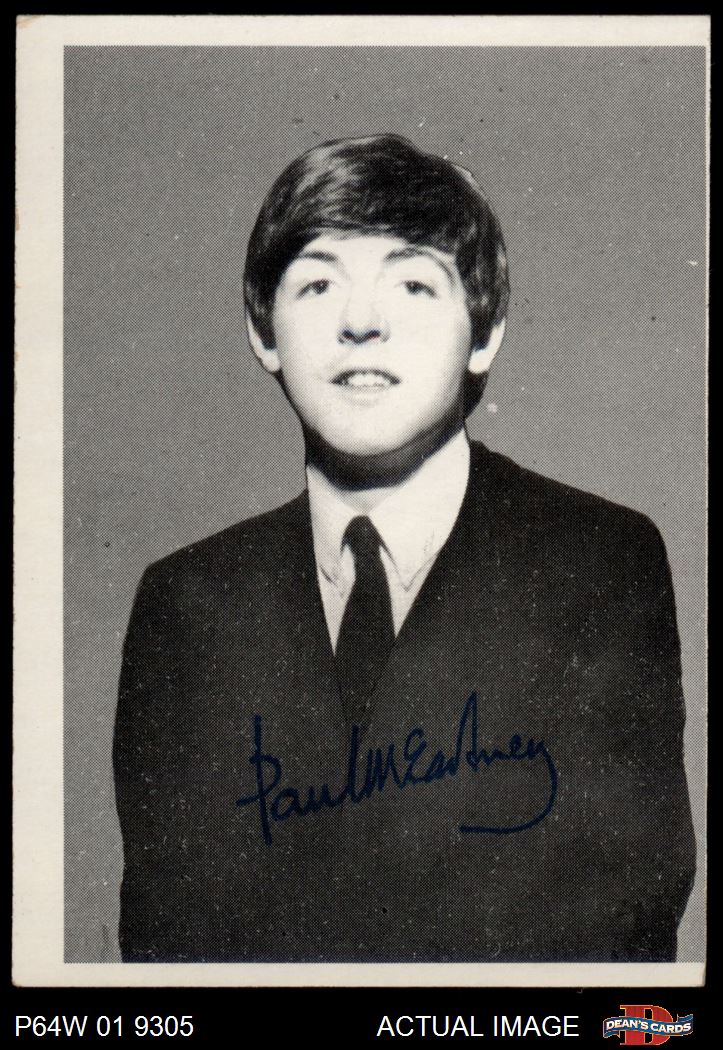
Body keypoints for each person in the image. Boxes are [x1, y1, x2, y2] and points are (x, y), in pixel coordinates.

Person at [113, 134, 695, 963]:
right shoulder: (188, 603)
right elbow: (167, 942)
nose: (361, 322)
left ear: (483, 331)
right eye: (317, 283)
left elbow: (620, 919)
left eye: (413, 283)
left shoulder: (594, 565)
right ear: (262, 330)